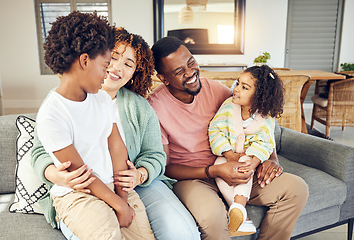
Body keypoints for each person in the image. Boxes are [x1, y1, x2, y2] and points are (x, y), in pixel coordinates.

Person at [32, 27, 200, 240]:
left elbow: (156, 155)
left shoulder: (140, 107)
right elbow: (40, 152)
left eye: (128, 64)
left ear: (134, 73)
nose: (117, 67)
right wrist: (55, 174)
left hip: (134, 186)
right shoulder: (62, 103)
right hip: (82, 189)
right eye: (113, 57)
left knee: (182, 233)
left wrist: (140, 173)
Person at [148, 36, 309, 240]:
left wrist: (271, 159)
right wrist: (215, 170)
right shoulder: (155, 107)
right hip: (194, 178)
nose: (190, 73)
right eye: (179, 72)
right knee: (215, 220)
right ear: (163, 78)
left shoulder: (215, 89)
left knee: (296, 190)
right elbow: (166, 167)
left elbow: (260, 120)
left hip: (237, 165)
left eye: (191, 63)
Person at [34, 12, 155, 240]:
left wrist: (123, 197)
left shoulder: (101, 99)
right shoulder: (52, 114)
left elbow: (117, 147)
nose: (108, 74)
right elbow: (80, 174)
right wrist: (119, 206)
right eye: (105, 66)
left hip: (115, 186)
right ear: (84, 60)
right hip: (78, 195)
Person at [208, 65, 285, 236]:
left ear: (259, 96)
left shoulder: (265, 118)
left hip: (249, 157)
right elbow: (214, 130)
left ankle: (238, 207)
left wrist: (252, 164)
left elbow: (265, 143)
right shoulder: (228, 106)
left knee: (244, 166)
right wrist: (229, 155)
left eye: (244, 87)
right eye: (238, 83)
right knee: (220, 171)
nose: (236, 89)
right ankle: (242, 216)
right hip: (225, 155)